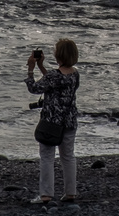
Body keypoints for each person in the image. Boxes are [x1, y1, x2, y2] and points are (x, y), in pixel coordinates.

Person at [25, 37, 80, 203]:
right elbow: (53, 82)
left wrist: (31, 70)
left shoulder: (55, 76)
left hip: (51, 122)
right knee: (68, 156)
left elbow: (34, 88)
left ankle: (46, 194)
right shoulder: (75, 74)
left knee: (47, 157)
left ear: (59, 55)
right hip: (69, 120)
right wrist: (42, 67)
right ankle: (71, 192)